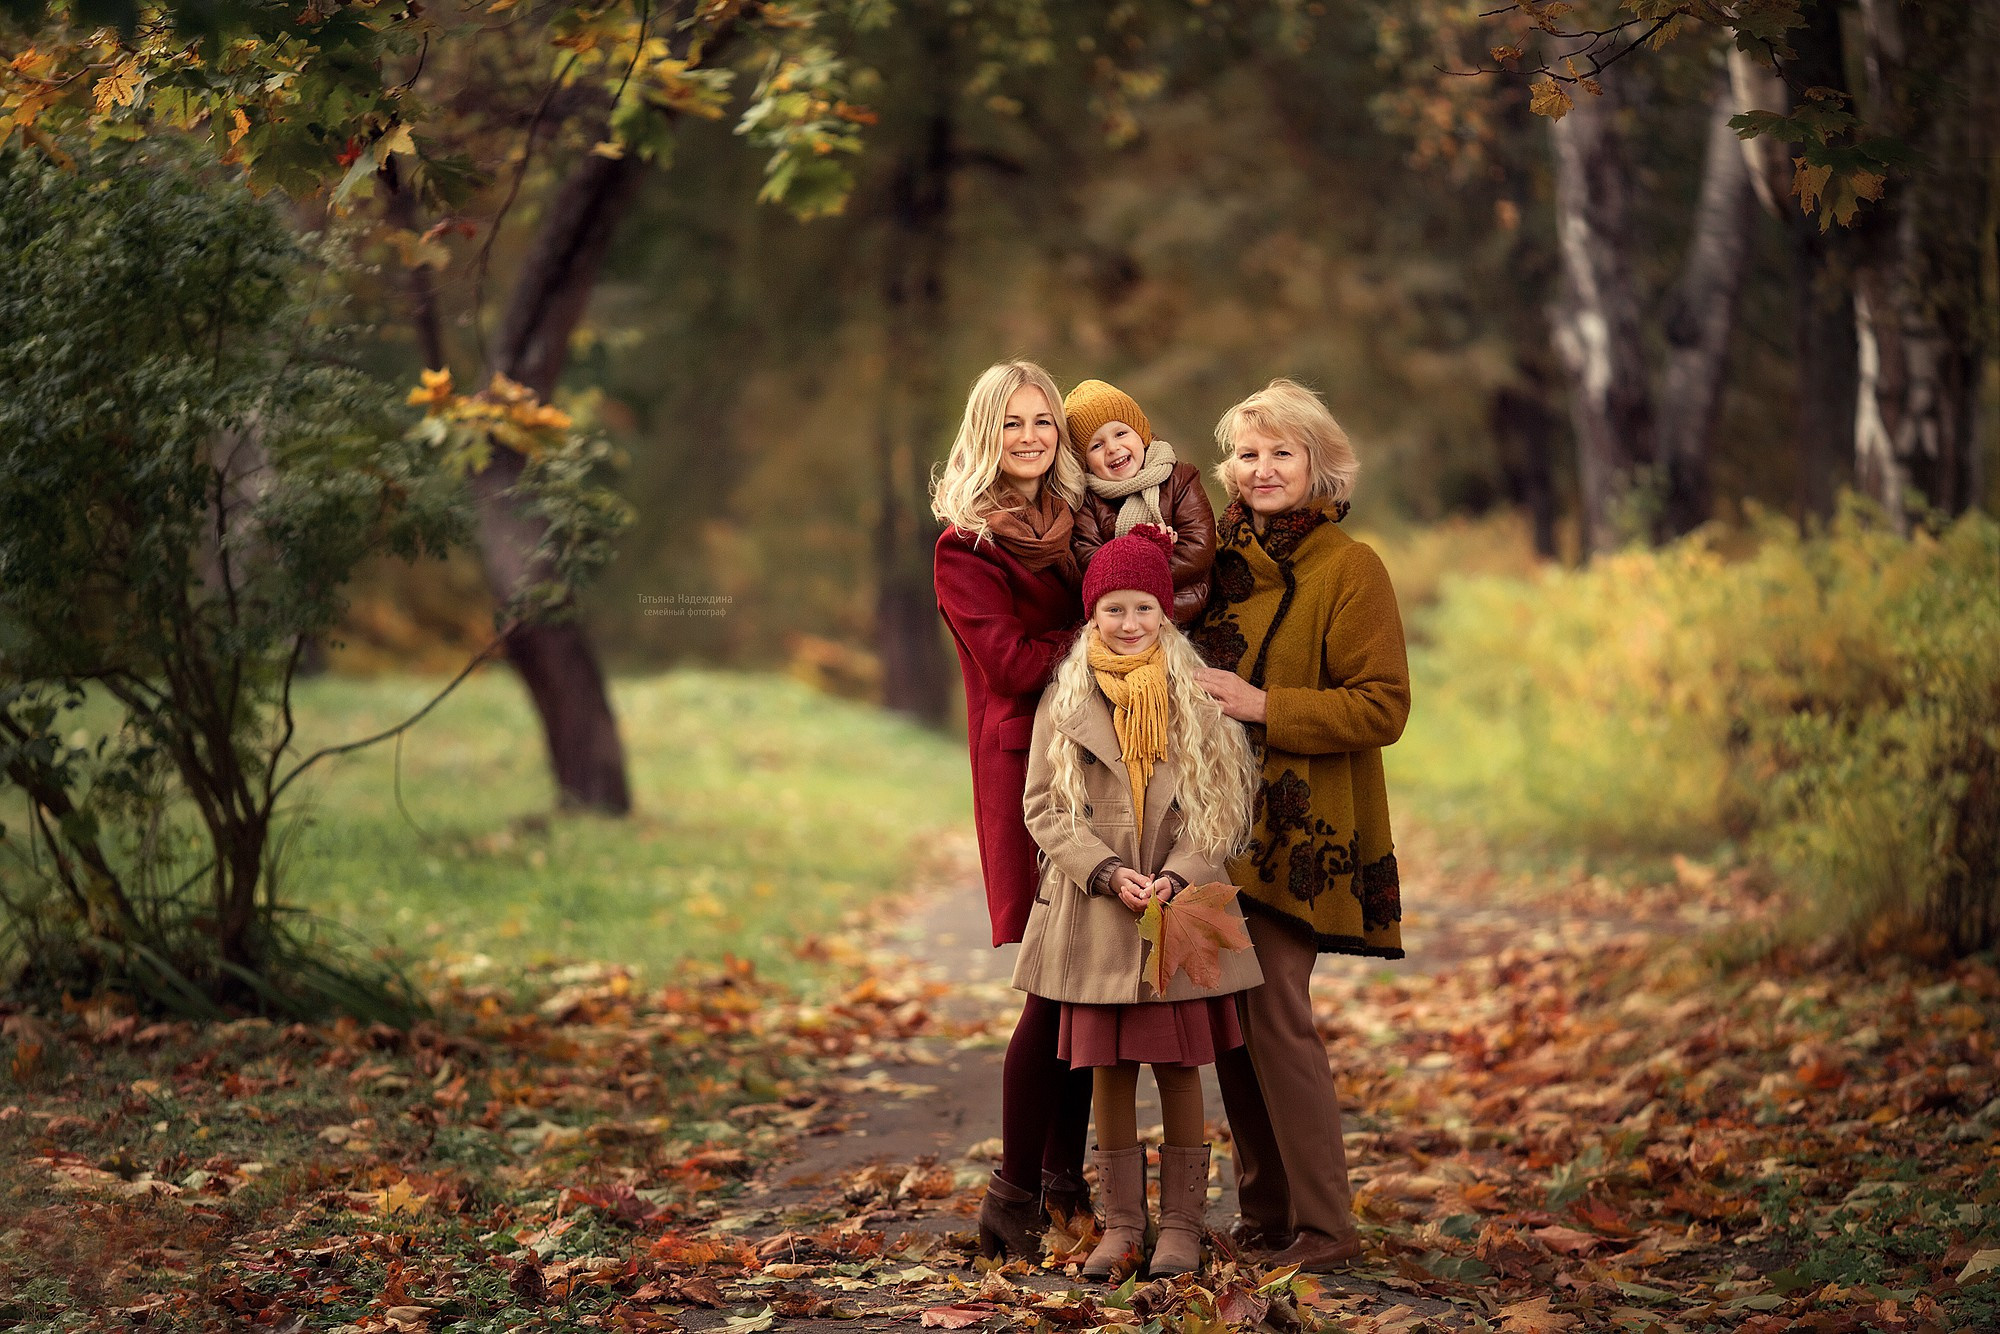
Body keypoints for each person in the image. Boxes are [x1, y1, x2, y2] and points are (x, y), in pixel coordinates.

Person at [1188, 378, 1411, 1273]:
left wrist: (1261, 704)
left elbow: (1383, 706)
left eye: (1284, 452)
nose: (1263, 468)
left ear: (1321, 466)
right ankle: (1265, 1215)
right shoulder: (1209, 567)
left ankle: (1326, 1228)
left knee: (1275, 1012)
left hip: (1299, 831)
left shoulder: (1350, 569)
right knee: (1224, 1021)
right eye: (1248, 453)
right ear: (1228, 469)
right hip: (1207, 828)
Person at [1013, 525, 1262, 1279]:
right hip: (1100, 910)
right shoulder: (1066, 697)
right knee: (1111, 1071)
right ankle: (1123, 1225)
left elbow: (1224, 806)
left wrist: (1180, 874)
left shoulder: (1197, 694)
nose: (1129, 623)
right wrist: (1105, 870)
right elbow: (1043, 808)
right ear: (1093, 614)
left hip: (1178, 908)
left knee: (1181, 1068)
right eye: (1114, 607)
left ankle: (1183, 1225)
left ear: (1165, 614)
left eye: (1144, 607)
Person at [931, 360, 1095, 1258]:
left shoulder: (1080, 528)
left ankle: (1063, 1187)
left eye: (1043, 422)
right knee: (1052, 983)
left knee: (1088, 985)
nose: (1031, 437)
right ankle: (1012, 1194)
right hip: (1030, 772)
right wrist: (1112, 631)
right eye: (1013, 424)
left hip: (1104, 769)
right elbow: (1015, 666)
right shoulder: (966, 546)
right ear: (984, 433)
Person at [1063, 379, 1218, 627]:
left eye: (1121, 433)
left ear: (1141, 433)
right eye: (1097, 445)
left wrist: (1138, 572)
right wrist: (1150, 551)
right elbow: (1089, 561)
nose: (1113, 448)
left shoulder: (1179, 478)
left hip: (1185, 608)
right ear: (1084, 462)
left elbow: (1199, 545)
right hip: (1122, 623)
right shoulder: (1087, 502)